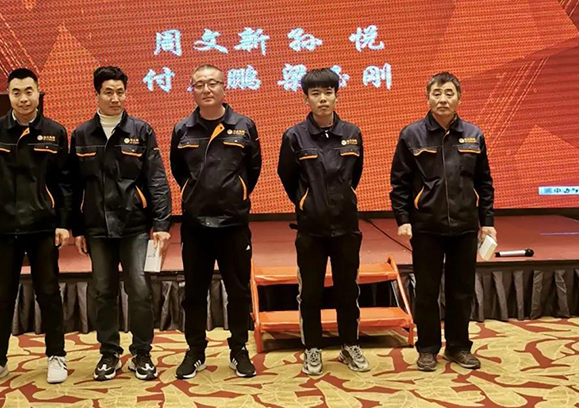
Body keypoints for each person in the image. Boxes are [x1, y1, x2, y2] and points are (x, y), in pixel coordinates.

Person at [0, 68, 71, 387]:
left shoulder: (54, 132)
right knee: (2, 297)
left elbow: (64, 184)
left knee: (49, 293)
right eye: (16, 92)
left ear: (38, 92)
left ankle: (57, 355)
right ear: (9, 95)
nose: (23, 98)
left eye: (28, 91)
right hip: (5, 227)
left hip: (42, 227)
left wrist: (64, 224)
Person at [70, 66, 172, 381]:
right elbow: (73, 186)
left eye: (120, 92)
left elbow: (157, 180)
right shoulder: (81, 134)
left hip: (134, 225)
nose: (115, 98)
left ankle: (142, 353)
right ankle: (109, 353)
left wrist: (162, 223)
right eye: (108, 92)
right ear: (97, 95)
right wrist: (77, 228)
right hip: (97, 227)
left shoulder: (141, 131)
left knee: (139, 290)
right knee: (103, 291)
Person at [390, 72, 496, 372]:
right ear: (428, 98)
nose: (443, 99)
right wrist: (403, 218)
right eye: (437, 93)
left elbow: (484, 183)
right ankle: (427, 348)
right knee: (427, 291)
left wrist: (487, 221)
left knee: (461, 291)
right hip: (426, 226)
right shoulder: (411, 135)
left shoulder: (473, 135)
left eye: (449, 93)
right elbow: (399, 183)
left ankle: (458, 347)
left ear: (459, 98)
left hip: (465, 226)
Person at [170, 64, 262, 379]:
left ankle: (239, 350)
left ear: (224, 87)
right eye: (199, 84)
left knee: (238, 291)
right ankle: (195, 351)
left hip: (233, 224)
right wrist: (194, 194)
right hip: (195, 226)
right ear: (192, 90)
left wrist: (237, 192)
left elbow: (253, 169)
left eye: (212, 83)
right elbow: (179, 171)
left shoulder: (244, 126)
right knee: (194, 293)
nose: (206, 89)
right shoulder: (182, 129)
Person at [277, 68, 370, 376]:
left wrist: (341, 199)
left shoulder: (352, 132)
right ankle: (313, 348)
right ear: (306, 99)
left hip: (346, 227)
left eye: (328, 92)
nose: (323, 99)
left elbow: (355, 175)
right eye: (315, 94)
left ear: (336, 96)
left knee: (347, 290)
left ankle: (349, 345)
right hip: (311, 229)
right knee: (311, 293)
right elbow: (287, 177)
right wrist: (306, 201)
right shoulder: (294, 136)